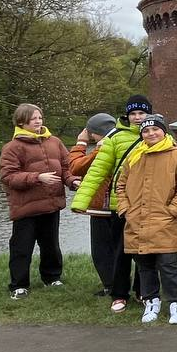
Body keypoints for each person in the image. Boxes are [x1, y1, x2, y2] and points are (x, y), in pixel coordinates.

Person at [70, 94, 151, 312]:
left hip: (147, 205)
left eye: (141, 113)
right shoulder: (114, 138)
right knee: (120, 252)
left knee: (145, 252)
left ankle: (143, 291)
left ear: (149, 114)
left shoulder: (159, 136)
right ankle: (119, 294)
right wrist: (81, 201)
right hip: (120, 205)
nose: (137, 118)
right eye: (133, 113)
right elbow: (97, 172)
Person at [114, 115, 177, 324]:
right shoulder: (134, 156)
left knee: (168, 265)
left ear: (164, 131)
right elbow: (120, 185)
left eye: (155, 130)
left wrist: (173, 210)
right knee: (145, 265)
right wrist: (125, 209)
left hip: (163, 220)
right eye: (146, 131)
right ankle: (151, 301)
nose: (151, 134)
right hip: (136, 220)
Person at [0, 103, 74, 299]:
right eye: (34, 119)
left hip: (51, 205)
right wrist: (37, 177)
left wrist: (72, 181)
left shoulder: (55, 142)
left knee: (51, 245)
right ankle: (19, 285)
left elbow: (66, 168)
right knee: (22, 248)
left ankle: (52, 278)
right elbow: (8, 177)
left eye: (40, 117)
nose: (38, 121)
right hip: (26, 207)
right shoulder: (12, 147)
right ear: (22, 122)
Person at [67, 111, 117, 295]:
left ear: (95, 132)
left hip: (103, 206)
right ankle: (120, 284)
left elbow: (76, 167)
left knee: (102, 250)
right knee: (119, 248)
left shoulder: (104, 146)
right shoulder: (122, 141)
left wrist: (81, 143)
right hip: (120, 204)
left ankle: (111, 286)